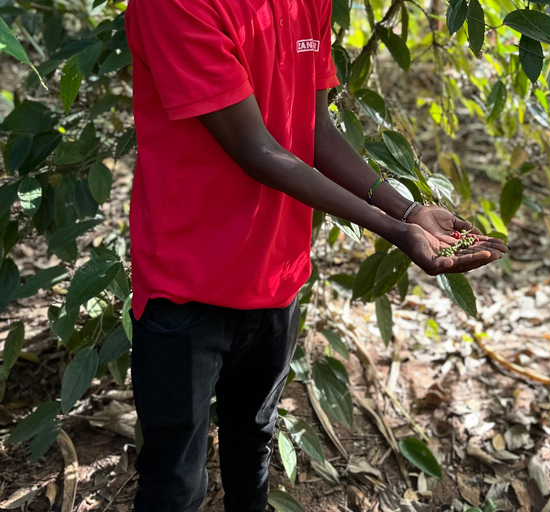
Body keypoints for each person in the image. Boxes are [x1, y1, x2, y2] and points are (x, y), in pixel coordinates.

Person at [124, 0, 508, 510]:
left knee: (253, 441)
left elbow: (315, 130)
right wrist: (394, 230)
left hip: (275, 278)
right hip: (186, 286)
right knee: (175, 480)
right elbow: (254, 148)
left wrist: (409, 209)